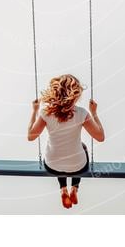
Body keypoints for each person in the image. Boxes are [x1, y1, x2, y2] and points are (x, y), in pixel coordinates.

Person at [27, 74, 105, 209]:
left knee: (58, 155)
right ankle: (74, 188)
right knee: (82, 148)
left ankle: (63, 189)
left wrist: (34, 111)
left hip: (52, 166)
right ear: (75, 94)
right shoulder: (82, 113)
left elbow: (31, 136)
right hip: (79, 166)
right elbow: (100, 137)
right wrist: (94, 113)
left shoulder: (46, 113)